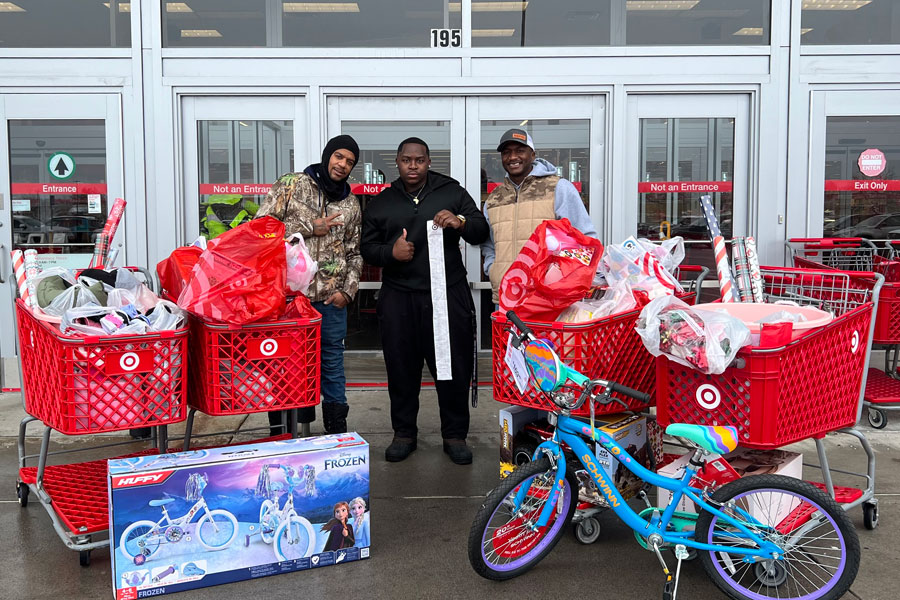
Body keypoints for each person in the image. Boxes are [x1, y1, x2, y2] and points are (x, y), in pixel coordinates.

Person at [361, 137, 489, 465]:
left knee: (453, 366)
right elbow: (367, 248)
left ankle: (455, 435)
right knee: (401, 368)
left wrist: (460, 222)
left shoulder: (452, 192)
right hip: (399, 297)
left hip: (448, 293)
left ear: (429, 162)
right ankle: (404, 434)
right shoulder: (382, 202)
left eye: (419, 160)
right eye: (407, 160)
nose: (413, 166)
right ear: (397, 162)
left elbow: (480, 230)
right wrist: (391, 252)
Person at [257, 135, 363, 435]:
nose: (342, 165)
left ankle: (336, 433)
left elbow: (355, 252)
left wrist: (347, 291)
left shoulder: (351, 203)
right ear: (328, 155)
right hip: (287, 300)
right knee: (283, 366)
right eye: (339, 157)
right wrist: (307, 228)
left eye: (349, 162)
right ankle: (282, 433)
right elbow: (260, 230)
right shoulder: (291, 185)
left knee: (332, 365)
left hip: (330, 301)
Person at [481, 128, 598, 304]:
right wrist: (493, 269)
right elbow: (489, 244)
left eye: (520, 150)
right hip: (507, 297)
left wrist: (562, 279)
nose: (513, 157)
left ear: (533, 155)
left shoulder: (558, 188)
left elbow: (584, 239)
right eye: (506, 152)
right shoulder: (495, 199)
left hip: (550, 298)